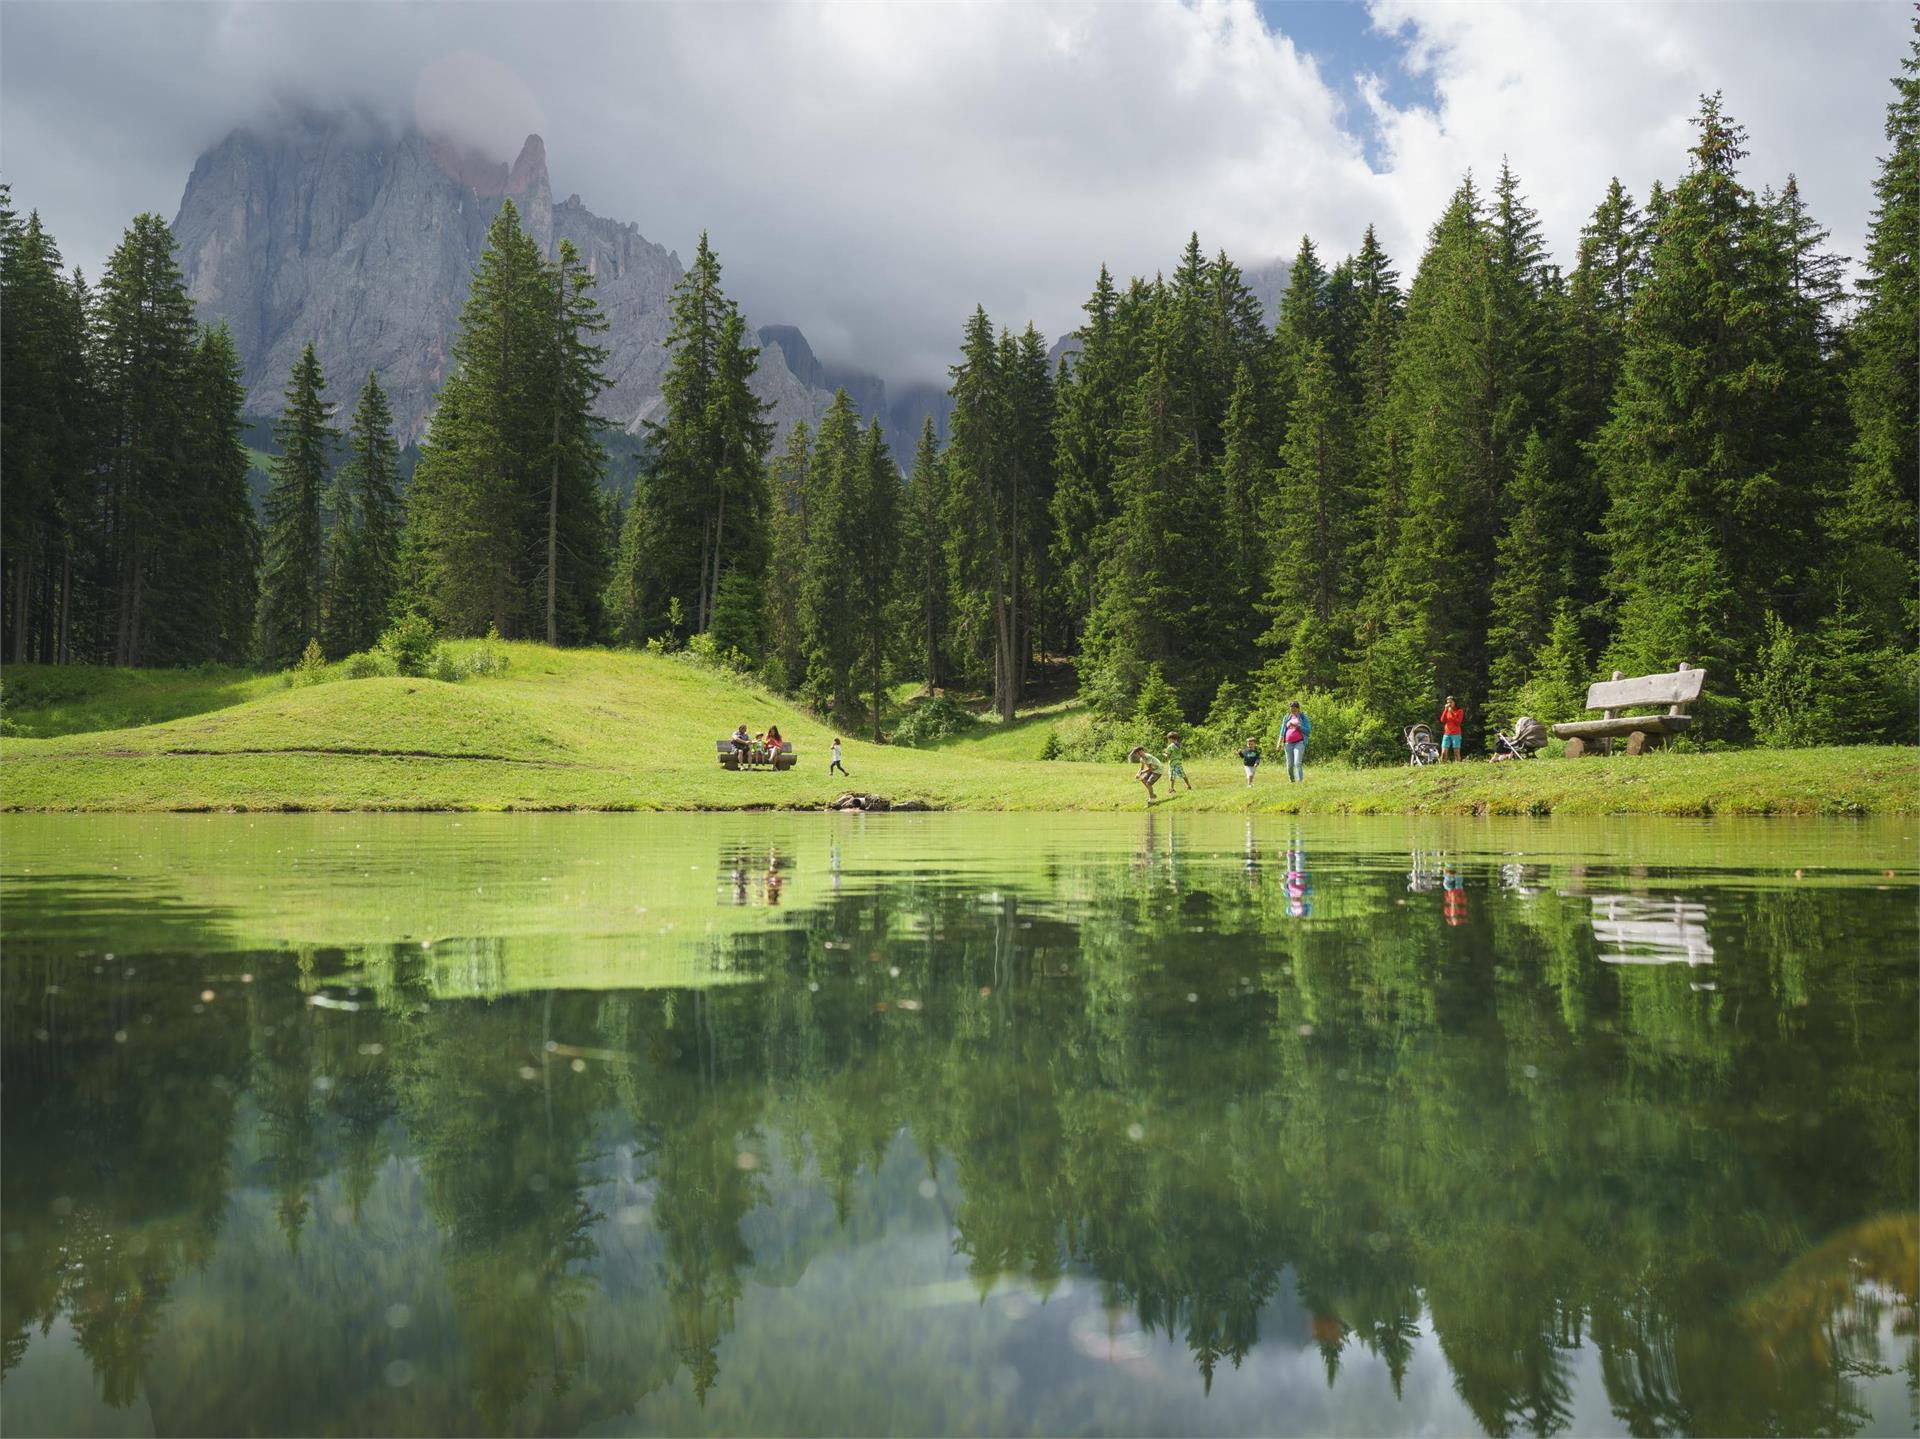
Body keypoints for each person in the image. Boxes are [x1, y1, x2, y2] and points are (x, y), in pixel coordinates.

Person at [1278, 702, 1310, 783]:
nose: (1293, 711)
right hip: (1287, 743)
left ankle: (1300, 782)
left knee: (1297, 762)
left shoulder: (1303, 717)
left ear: (1298, 709)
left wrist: (1298, 727)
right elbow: (1282, 731)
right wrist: (1279, 743)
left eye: (1294, 710)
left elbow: (1308, 730)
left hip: (1299, 742)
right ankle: (1292, 781)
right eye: (1291, 710)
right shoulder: (1287, 717)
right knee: (1289, 765)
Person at [1439, 695, 1465, 762]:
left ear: (1455, 702)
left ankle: (1458, 766)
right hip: (1447, 733)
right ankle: (1442, 767)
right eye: (1448, 702)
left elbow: (1458, 722)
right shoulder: (1447, 710)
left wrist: (1452, 713)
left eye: (1451, 702)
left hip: (1456, 734)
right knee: (1443, 752)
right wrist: (1445, 710)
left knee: (1456, 752)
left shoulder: (1460, 711)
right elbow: (1442, 720)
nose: (1449, 704)